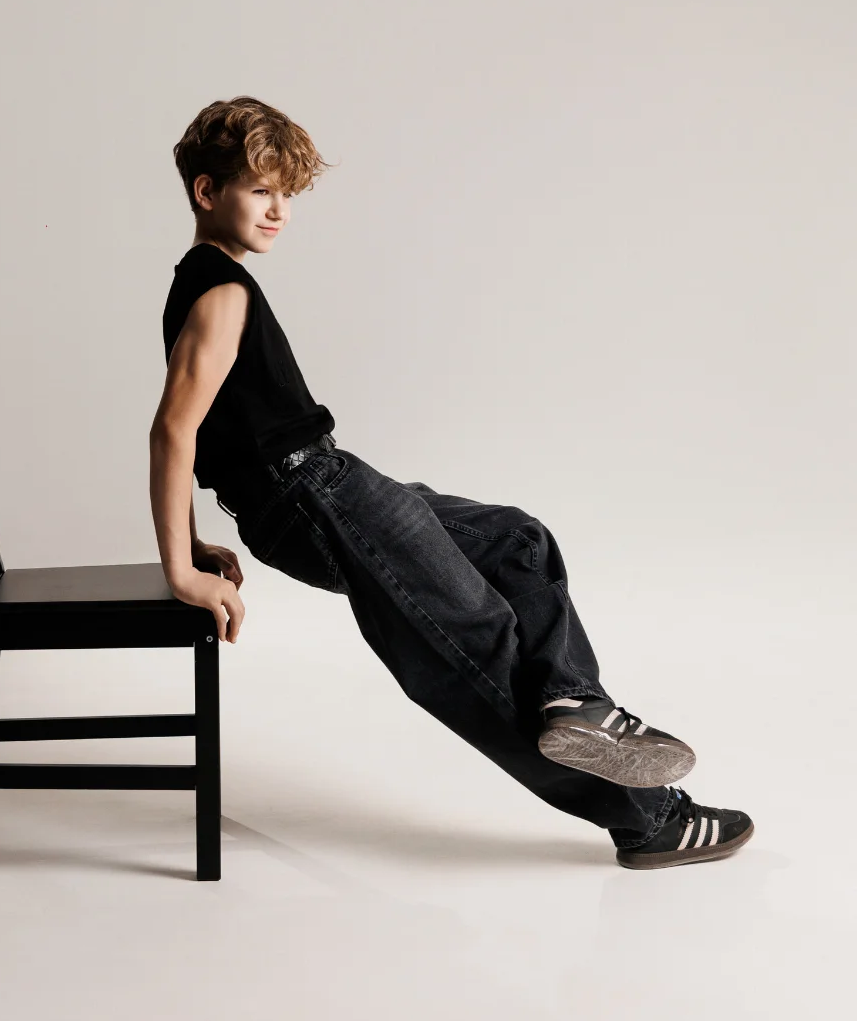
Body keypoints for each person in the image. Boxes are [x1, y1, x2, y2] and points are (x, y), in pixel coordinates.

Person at [149, 96, 754, 871]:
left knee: (519, 541)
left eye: (286, 193)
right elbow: (172, 429)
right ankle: (651, 818)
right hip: (316, 495)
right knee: (478, 653)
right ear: (207, 192)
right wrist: (180, 568)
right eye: (261, 190)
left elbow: (200, 429)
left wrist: (195, 539)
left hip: (325, 482)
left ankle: (574, 701)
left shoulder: (207, 282)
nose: (279, 210)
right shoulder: (222, 291)